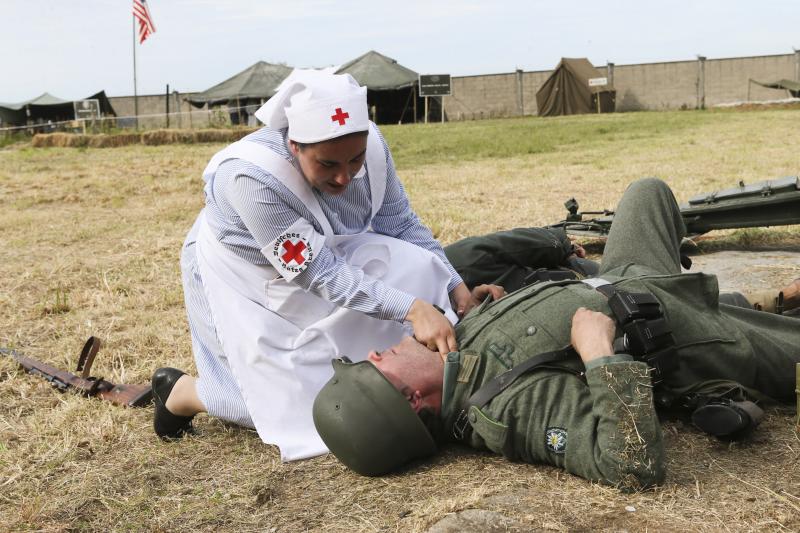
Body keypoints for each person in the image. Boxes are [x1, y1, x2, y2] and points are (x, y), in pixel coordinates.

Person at [313, 178, 800, 490]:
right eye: (374, 365)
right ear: (412, 400)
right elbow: (631, 464)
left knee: (646, 192)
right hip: (698, 336)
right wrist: (599, 358)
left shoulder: (452, 356)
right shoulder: (503, 410)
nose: (376, 351)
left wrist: (491, 304)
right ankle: (752, 311)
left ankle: (751, 300)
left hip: (630, 275)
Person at [152, 70, 475, 460]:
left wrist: (455, 285)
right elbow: (318, 272)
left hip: (331, 255)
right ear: (295, 145)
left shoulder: (371, 145)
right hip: (249, 273)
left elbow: (399, 222)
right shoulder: (248, 178)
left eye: (354, 160)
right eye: (327, 164)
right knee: (283, 408)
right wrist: (410, 307)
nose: (344, 176)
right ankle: (182, 394)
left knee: (372, 361)